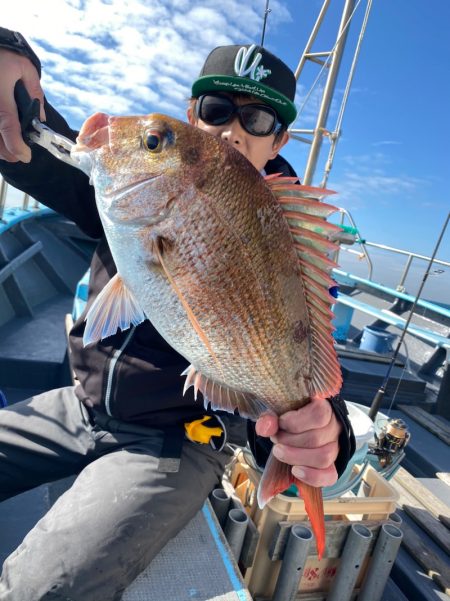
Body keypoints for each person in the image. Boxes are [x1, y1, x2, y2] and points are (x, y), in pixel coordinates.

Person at [0, 28, 355, 601]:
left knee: (39, 590)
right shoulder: (133, 191)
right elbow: (46, 152)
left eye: (258, 121)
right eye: (217, 108)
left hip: (178, 441)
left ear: (279, 138)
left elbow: (300, 346)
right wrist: (10, 59)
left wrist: (325, 429)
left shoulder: (288, 243)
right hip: (80, 404)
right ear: (194, 112)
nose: (233, 129)